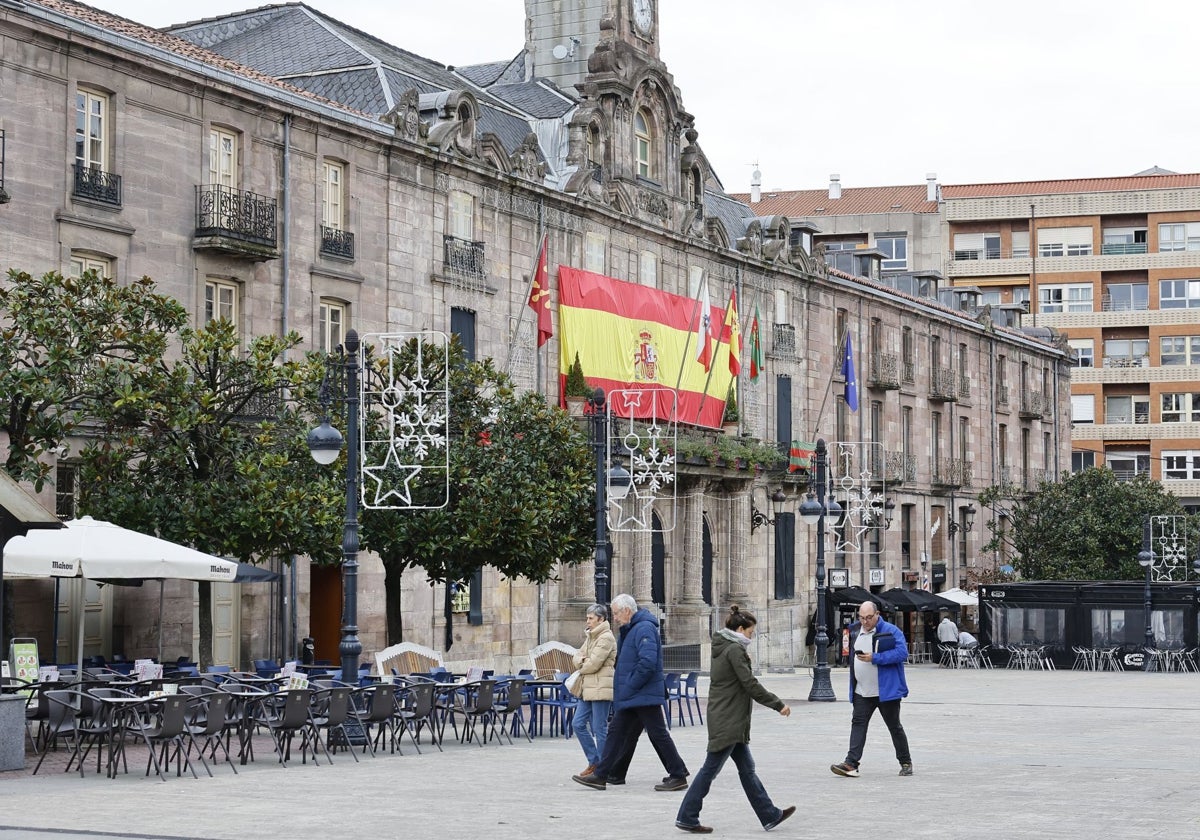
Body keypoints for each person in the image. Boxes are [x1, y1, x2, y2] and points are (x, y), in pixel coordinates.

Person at [674, 605, 796, 835]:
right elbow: (749, 684)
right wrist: (778, 704)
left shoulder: (725, 647)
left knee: (747, 769)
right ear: (740, 629)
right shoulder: (733, 650)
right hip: (728, 718)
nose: (752, 636)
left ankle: (769, 814)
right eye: (750, 632)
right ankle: (687, 816)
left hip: (728, 717)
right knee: (710, 770)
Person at [572, 593, 690, 792]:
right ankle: (607, 774)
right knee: (618, 733)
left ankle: (678, 774)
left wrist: (630, 685)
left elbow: (647, 662)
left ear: (627, 611)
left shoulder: (643, 628)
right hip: (635, 694)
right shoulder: (632, 628)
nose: (615, 618)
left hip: (643, 693)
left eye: (617, 613)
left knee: (657, 734)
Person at [830, 601, 913, 778]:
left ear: (877, 615)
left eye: (868, 618)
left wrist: (876, 657)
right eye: (861, 618)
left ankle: (905, 762)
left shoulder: (890, 630)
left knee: (894, 726)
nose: (865, 621)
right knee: (858, 724)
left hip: (886, 692)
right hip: (862, 691)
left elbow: (902, 653)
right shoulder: (854, 631)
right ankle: (851, 763)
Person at [571, 603, 616, 776]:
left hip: (601, 686)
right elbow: (576, 656)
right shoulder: (591, 636)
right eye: (587, 618)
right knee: (578, 723)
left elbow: (593, 664)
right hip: (587, 687)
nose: (587, 621)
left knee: (599, 728)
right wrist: (582, 661)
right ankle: (594, 761)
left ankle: (604, 767)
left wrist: (582, 662)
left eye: (590, 618)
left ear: (601, 619)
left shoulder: (606, 637)